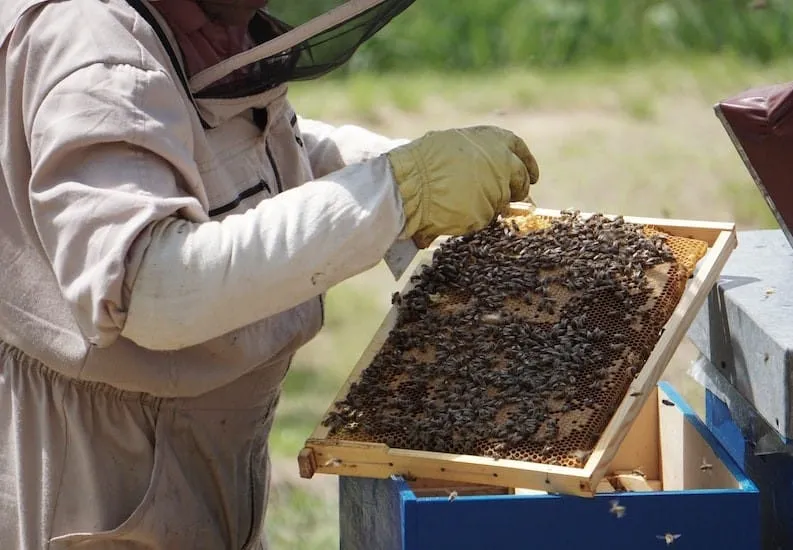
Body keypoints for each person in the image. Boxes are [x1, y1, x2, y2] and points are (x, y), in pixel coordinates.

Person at [0, 0, 540, 547]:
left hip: (195, 442)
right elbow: (152, 286)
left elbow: (226, 147)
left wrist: (377, 161)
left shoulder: (196, 21)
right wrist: (394, 193)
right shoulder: (91, 47)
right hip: (102, 471)